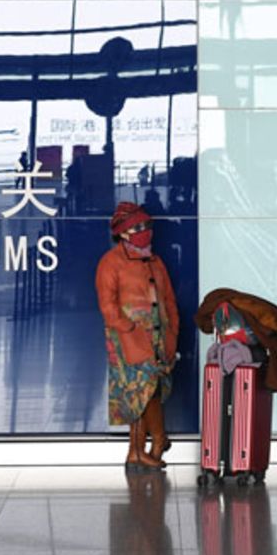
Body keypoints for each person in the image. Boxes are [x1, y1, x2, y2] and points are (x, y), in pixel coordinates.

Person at [95, 202, 179, 472]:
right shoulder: (110, 263)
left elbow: (169, 300)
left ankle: (140, 450)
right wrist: (128, 327)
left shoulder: (156, 261)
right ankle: (150, 444)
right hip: (129, 342)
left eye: (146, 226)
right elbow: (108, 306)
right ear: (122, 233)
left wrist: (173, 330)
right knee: (141, 393)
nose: (144, 232)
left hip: (158, 338)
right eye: (136, 227)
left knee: (148, 393)